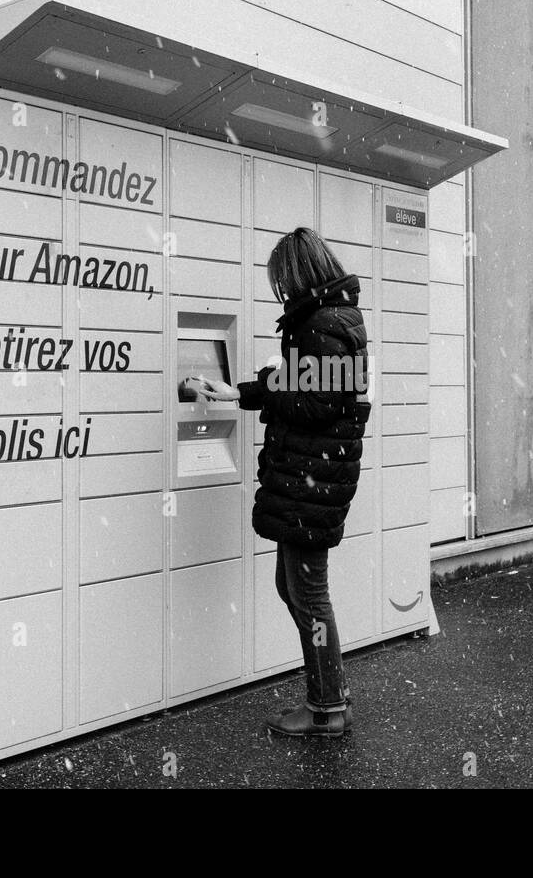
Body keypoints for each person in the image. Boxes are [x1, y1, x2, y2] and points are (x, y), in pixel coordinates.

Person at [196, 227, 370, 737]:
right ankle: (329, 694)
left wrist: (264, 390)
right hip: (312, 476)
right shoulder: (331, 318)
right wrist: (243, 391)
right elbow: (307, 387)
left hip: (312, 480)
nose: (279, 290)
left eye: (281, 280)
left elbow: (318, 402)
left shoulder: (323, 323)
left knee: (308, 594)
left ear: (297, 273)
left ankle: (326, 708)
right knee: (294, 588)